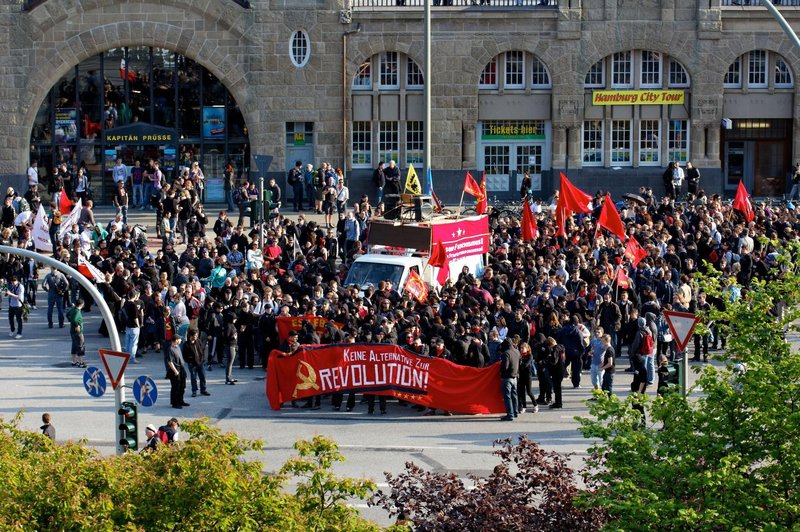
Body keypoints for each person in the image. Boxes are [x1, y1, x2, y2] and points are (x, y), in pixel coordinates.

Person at [183, 329, 209, 398]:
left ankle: (203, 390)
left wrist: (203, 359)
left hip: (200, 363)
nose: (196, 337)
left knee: (202, 376)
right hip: (192, 364)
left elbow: (202, 350)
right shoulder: (186, 344)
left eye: (197, 335)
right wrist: (189, 362)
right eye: (195, 336)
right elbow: (184, 356)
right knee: (193, 378)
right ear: (190, 336)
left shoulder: (198, 341)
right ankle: (194, 391)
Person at [498, 339, 520, 421]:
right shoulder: (517, 351)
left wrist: (501, 372)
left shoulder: (506, 353)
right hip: (515, 377)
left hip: (507, 377)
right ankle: (515, 412)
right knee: (514, 395)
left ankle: (510, 414)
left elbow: (505, 367)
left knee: (507, 396)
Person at [166, 334, 189, 409]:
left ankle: (180, 401)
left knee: (182, 386)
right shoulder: (170, 349)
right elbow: (170, 362)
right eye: (179, 339)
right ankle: (175, 403)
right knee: (176, 387)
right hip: (175, 371)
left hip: (181, 369)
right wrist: (175, 371)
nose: (181, 340)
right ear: (176, 340)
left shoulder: (177, 347)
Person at [122, 289, 144, 364]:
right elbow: (135, 317)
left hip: (127, 325)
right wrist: (138, 325)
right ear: (134, 296)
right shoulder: (133, 305)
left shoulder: (126, 303)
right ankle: (133, 358)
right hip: (134, 326)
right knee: (134, 343)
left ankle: (127, 357)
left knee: (127, 342)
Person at [65, 299, 86, 368]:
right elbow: (74, 320)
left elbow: (67, 314)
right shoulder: (77, 312)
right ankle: (81, 362)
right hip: (78, 331)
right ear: (81, 305)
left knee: (74, 345)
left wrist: (70, 320)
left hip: (72, 331)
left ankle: (74, 361)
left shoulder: (73, 309)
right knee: (80, 345)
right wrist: (77, 325)